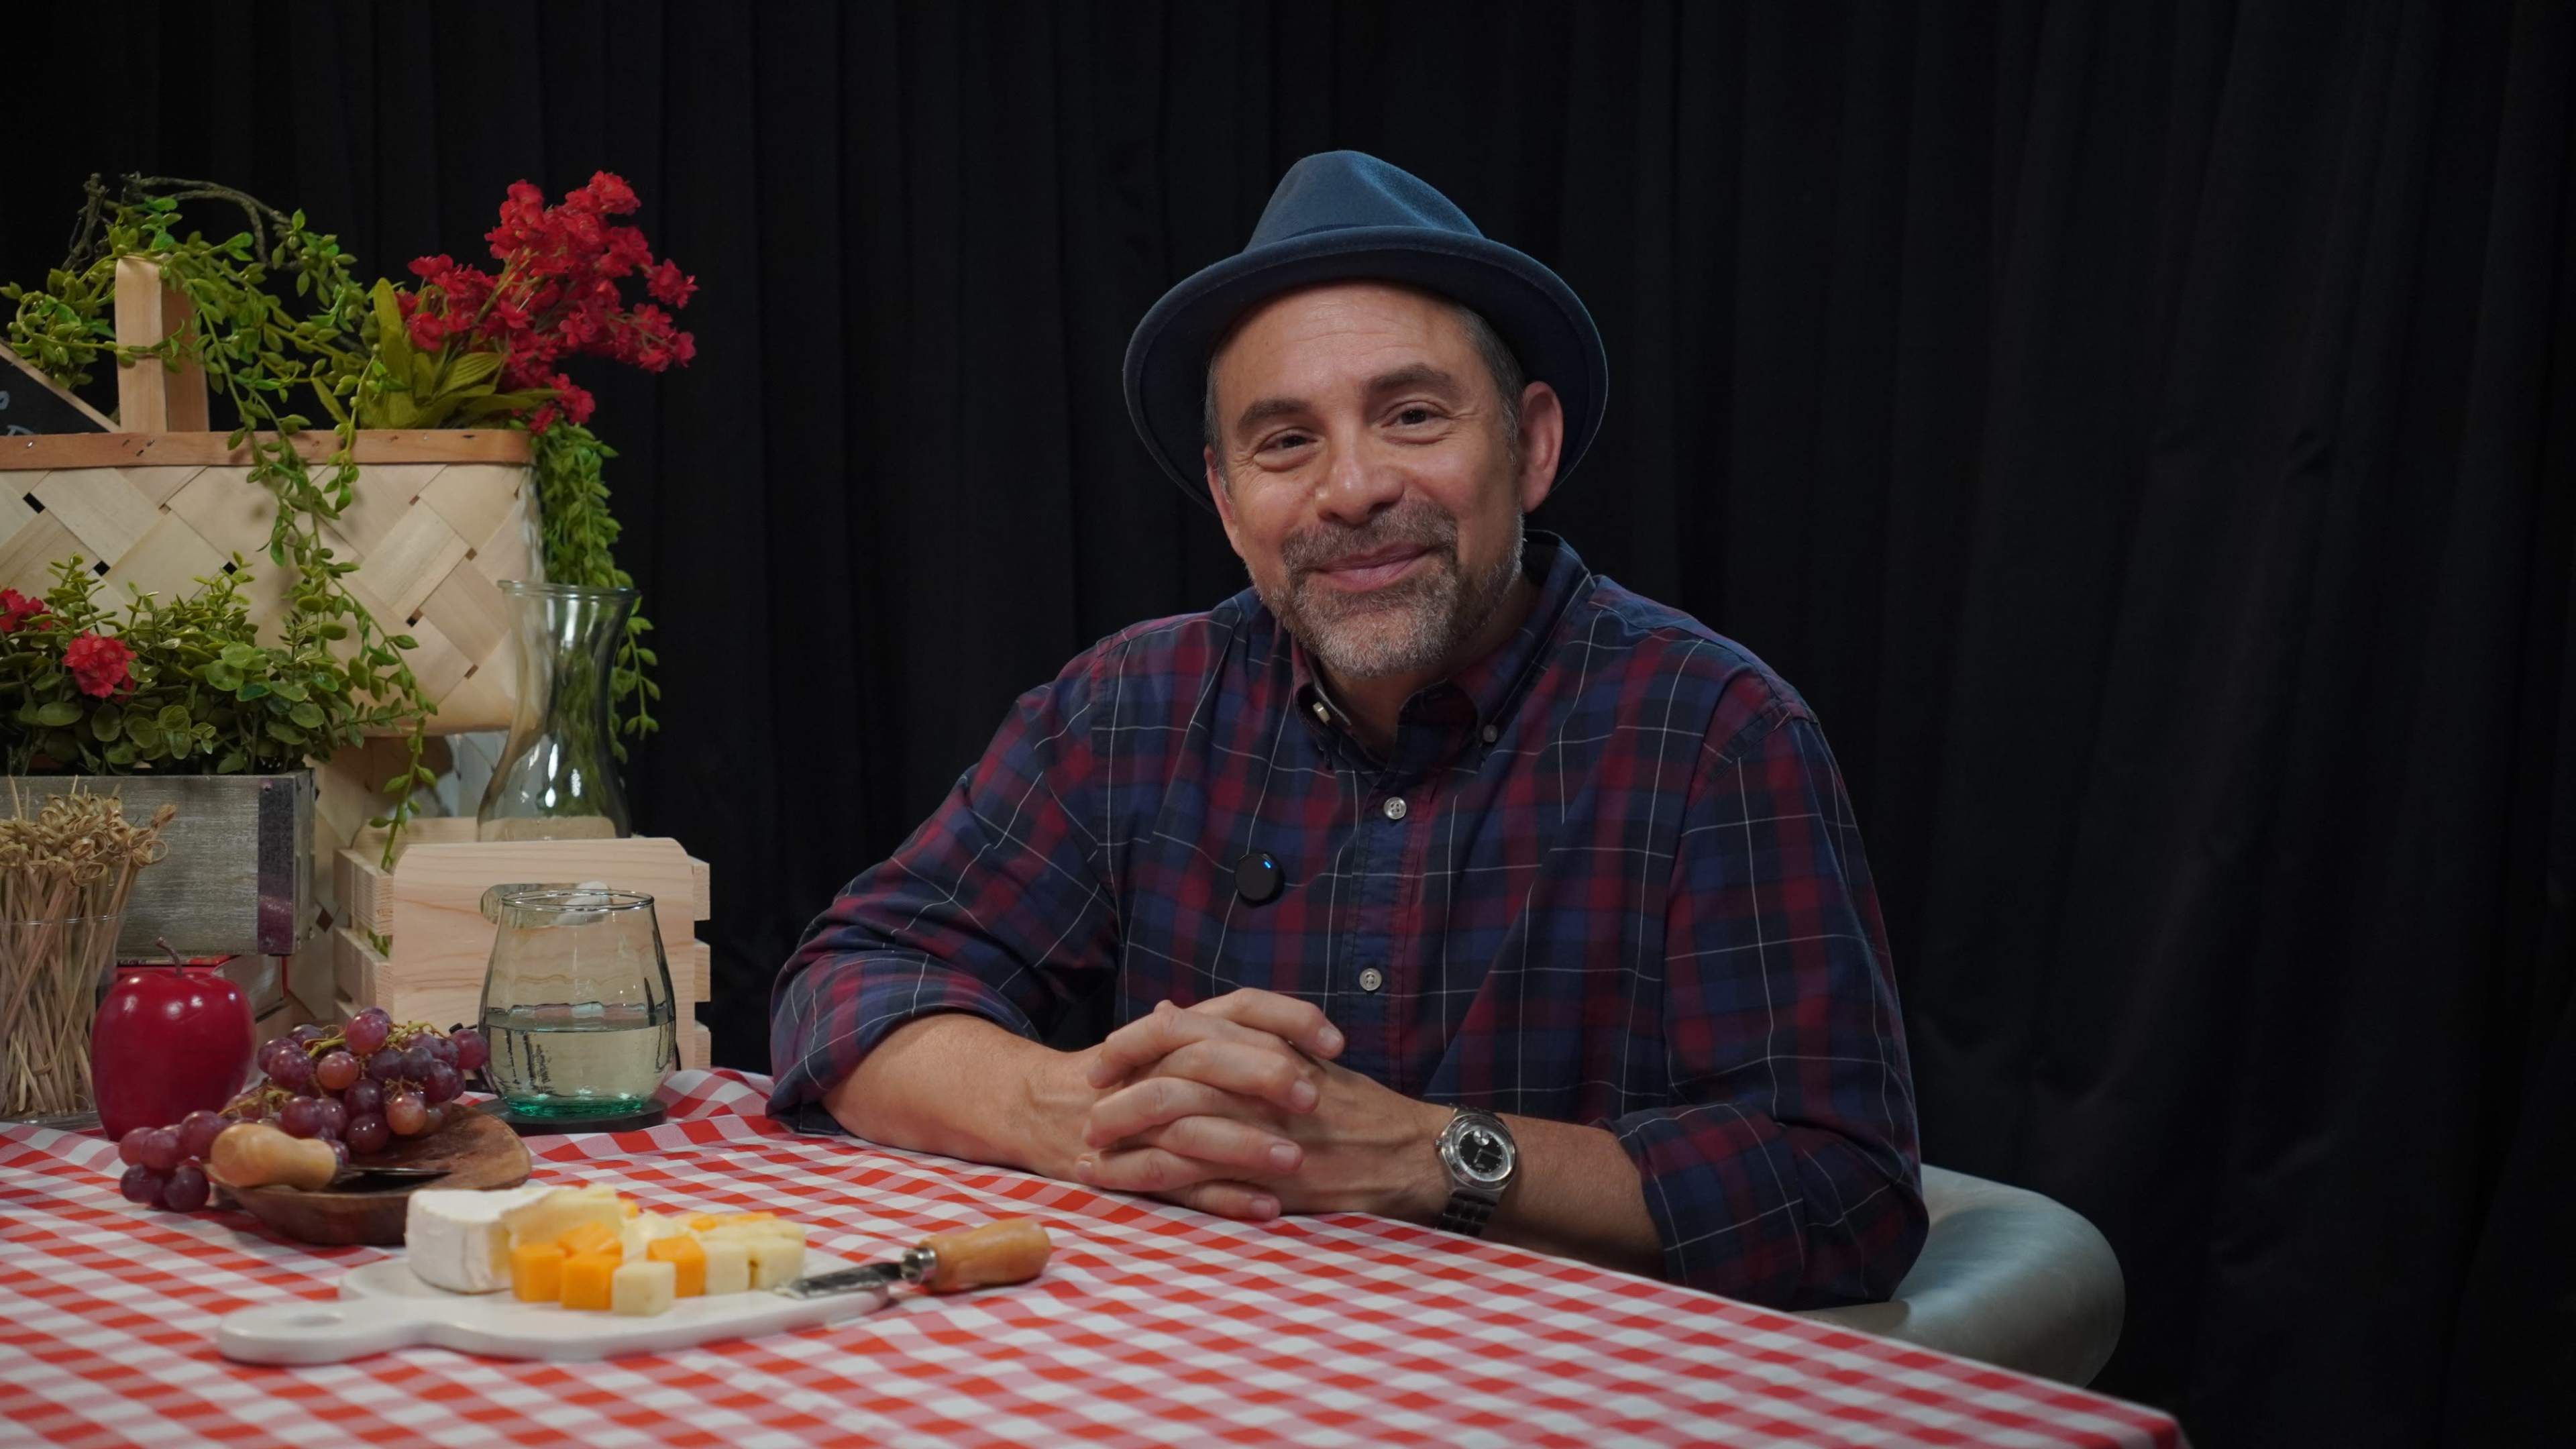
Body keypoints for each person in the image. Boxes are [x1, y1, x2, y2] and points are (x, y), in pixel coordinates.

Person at [771, 152, 1925, 1307]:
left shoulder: (1714, 729)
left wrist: (1432, 1157)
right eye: (1287, 443)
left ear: (1530, 446)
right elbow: (852, 984)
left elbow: (1841, 1190)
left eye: (1413, 415)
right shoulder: (1131, 703)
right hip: (1171, 1376)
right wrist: (1068, 1106)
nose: (1353, 487)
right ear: (1229, 503)